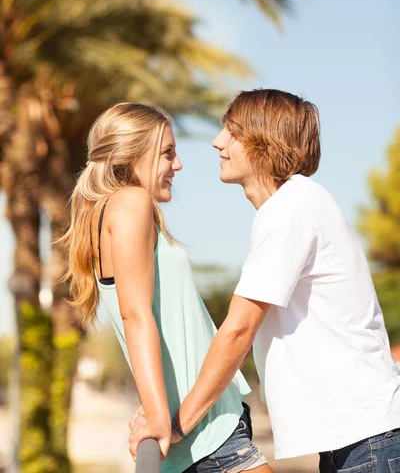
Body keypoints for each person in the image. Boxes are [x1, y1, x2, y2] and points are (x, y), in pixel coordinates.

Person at [130, 89, 400, 473]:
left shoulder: (292, 207)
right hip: (362, 439)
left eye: (232, 133)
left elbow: (239, 329)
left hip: (368, 440)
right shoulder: (293, 206)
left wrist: (177, 423)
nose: (217, 142)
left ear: (263, 143)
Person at [63, 102, 273, 473]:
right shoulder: (130, 202)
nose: (177, 165)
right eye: (167, 153)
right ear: (133, 155)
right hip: (208, 435)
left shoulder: (111, 211)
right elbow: (135, 314)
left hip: (204, 426)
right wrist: (160, 415)